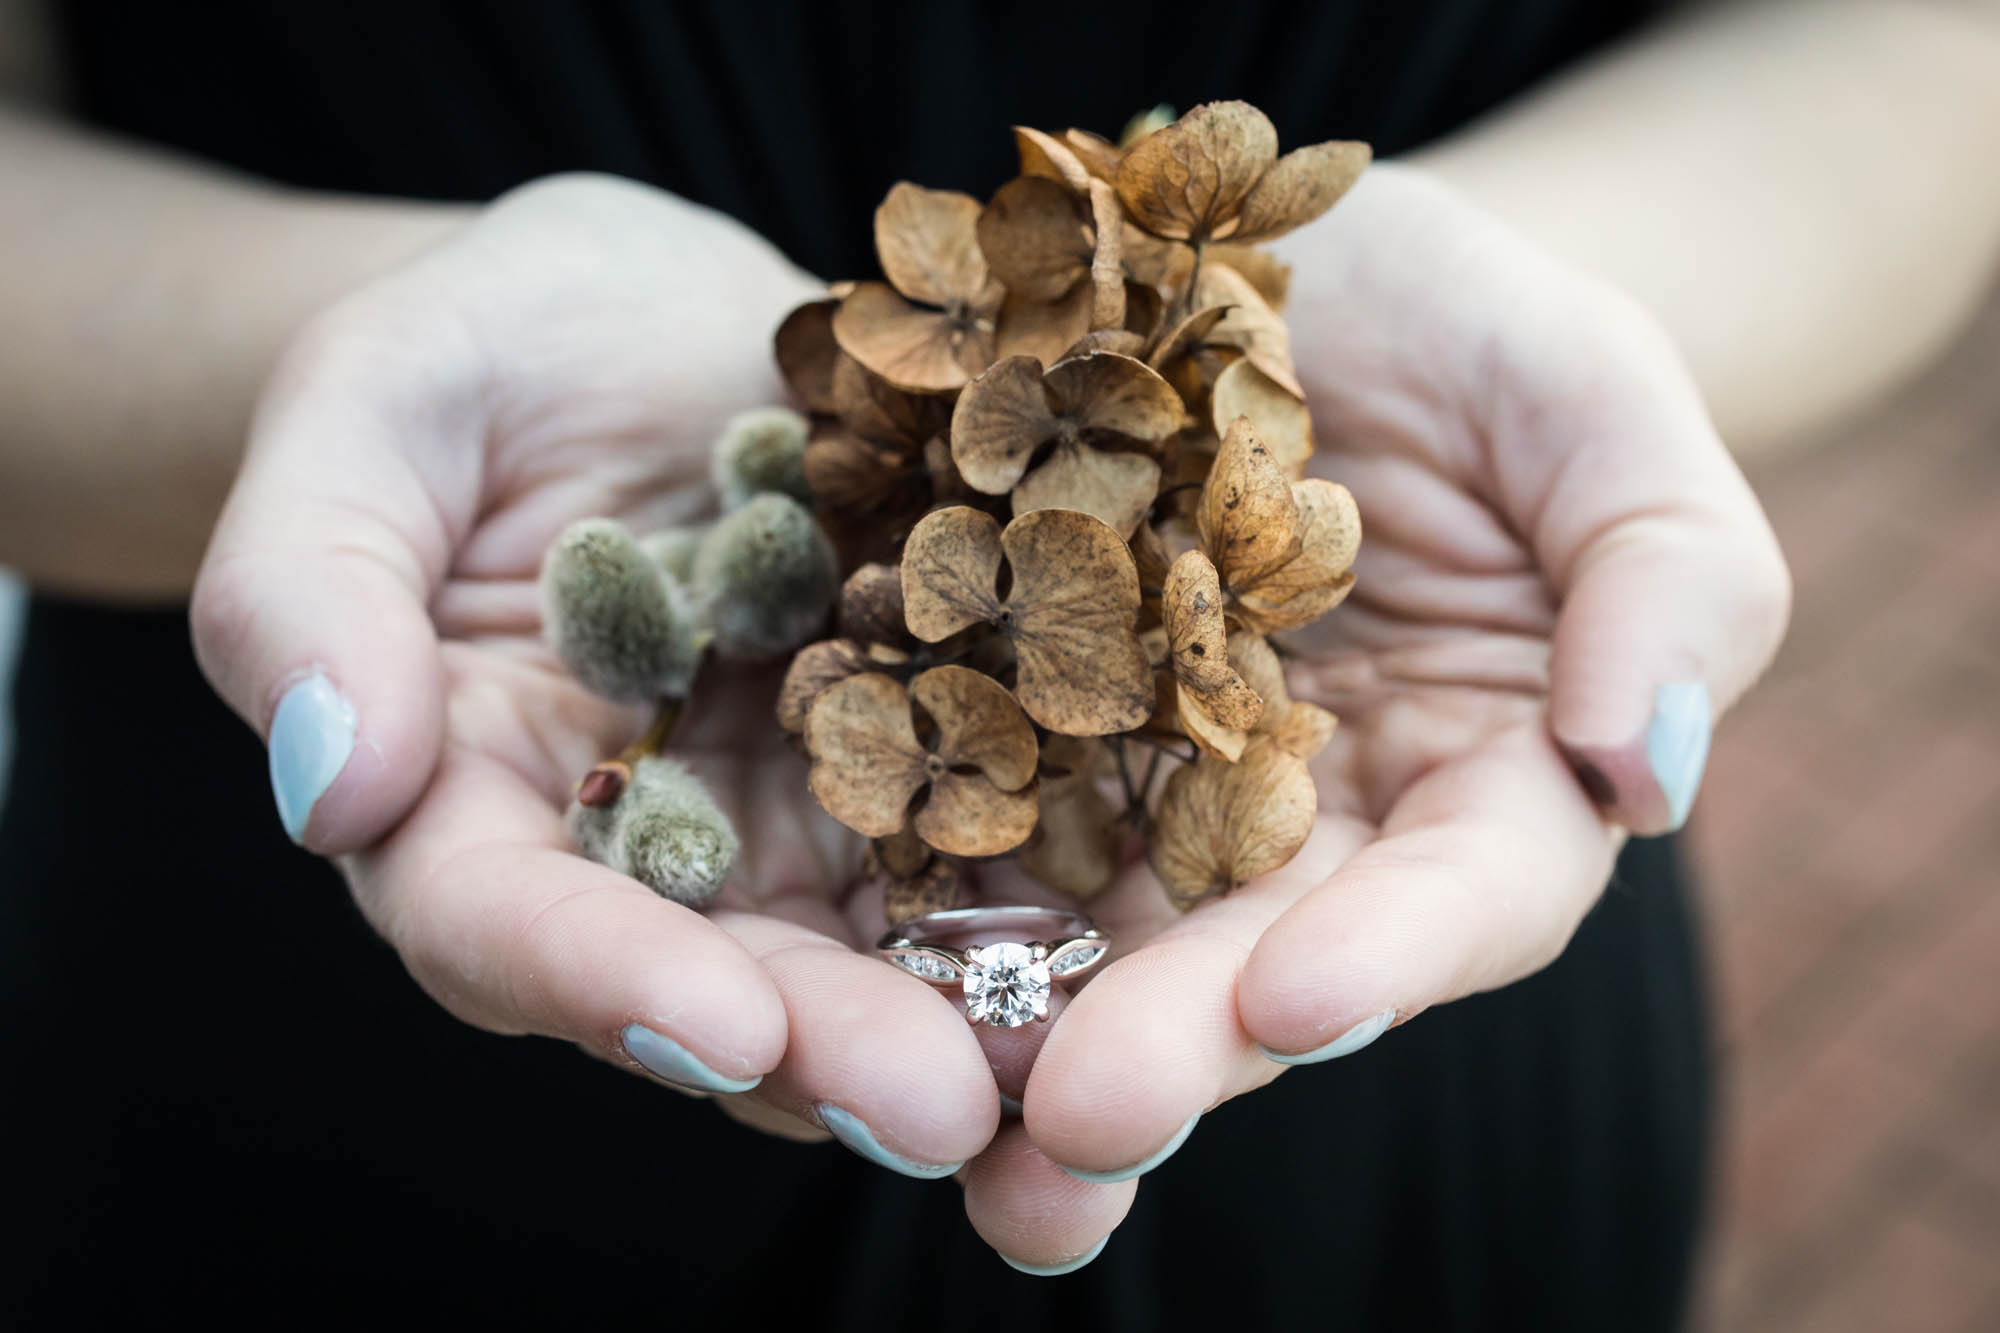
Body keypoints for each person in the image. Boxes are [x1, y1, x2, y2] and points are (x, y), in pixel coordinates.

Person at [1, 1, 1994, 1326]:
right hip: (373, 1002)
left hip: (1406, 952)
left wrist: (1554, 310)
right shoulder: (831, 576)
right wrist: (327, 367)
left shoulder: (1198, 609)